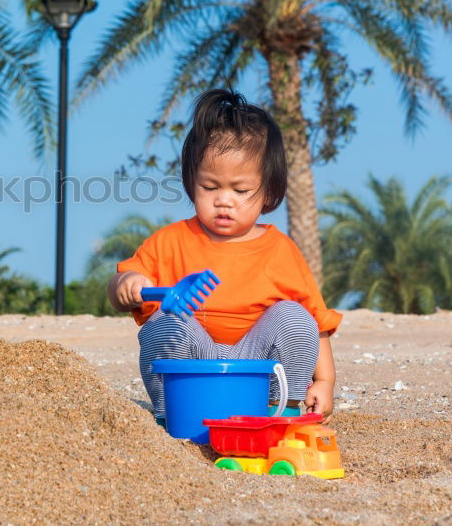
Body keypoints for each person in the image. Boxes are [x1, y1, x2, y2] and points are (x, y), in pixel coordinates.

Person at [107, 88, 341, 426]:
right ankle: (170, 414)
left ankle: (281, 407)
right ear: (191, 183)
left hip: (257, 367)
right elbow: (120, 289)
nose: (224, 201)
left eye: (241, 190)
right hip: (194, 364)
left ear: (269, 191)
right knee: (165, 323)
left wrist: (325, 381)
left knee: (295, 317)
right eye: (210, 187)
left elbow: (317, 323)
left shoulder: (280, 250)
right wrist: (127, 284)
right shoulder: (172, 241)